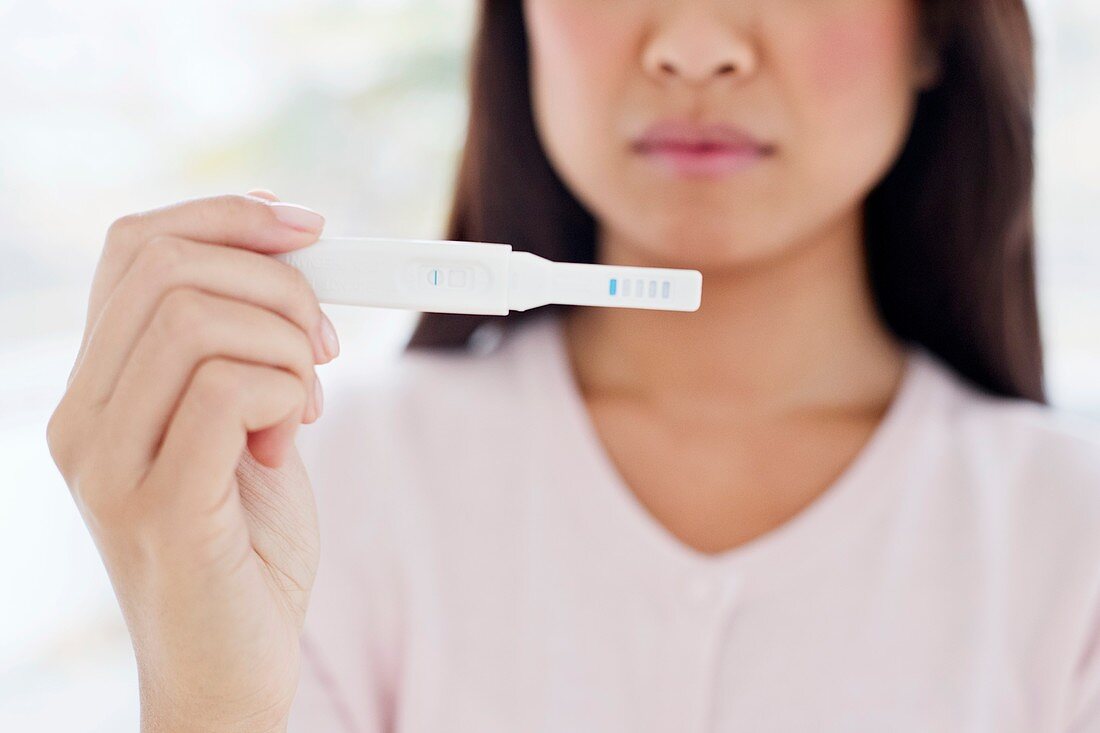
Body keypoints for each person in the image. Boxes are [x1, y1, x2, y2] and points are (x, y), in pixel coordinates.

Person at [46, 0, 1100, 731]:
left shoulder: (1070, 537)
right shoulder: (308, 478)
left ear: (933, 30)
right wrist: (206, 700)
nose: (692, 46)